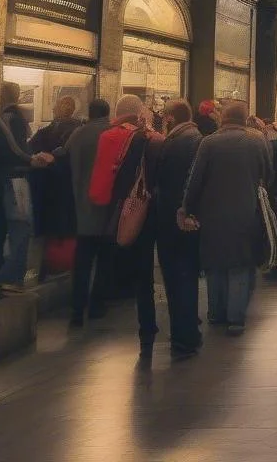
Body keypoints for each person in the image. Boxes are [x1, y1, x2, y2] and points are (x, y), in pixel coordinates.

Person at [181, 101, 272, 337]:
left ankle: (216, 313)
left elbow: (195, 179)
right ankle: (236, 318)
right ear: (244, 119)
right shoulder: (257, 141)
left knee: (215, 265)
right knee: (241, 265)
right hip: (246, 211)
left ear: (223, 119)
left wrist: (188, 208)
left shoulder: (209, 142)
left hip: (212, 214)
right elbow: (268, 175)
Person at [107, 94, 164, 362]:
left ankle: (147, 326)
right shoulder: (157, 142)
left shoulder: (125, 139)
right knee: (154, 271)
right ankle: (152, 324)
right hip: (154, 210)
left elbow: (120, 177)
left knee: (142, 274)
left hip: (134, 208)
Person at [53, 98, 113, 325]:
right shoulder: (112, 133)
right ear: (107, 113)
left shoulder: (77, 134)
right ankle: (97, 305)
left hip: (82, 208)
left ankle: (77, 309)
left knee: (82, 261)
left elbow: (62, 155)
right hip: (107, 209)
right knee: (105, 261)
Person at [0, 82, 47, 296]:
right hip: (15, 181)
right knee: (21, 229)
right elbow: (17, 148)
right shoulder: (13, 118)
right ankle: (10, 277)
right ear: (16, 95)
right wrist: (33, 159)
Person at [155, 98, 203, 359]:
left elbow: (170, 181)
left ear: (171, 117)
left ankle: (183, 337)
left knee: (178, 277)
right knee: (187, 276)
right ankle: (189, 331)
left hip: (174, 220)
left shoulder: (177, 142)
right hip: (186, 218)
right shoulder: (194, 138)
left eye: (164, 115)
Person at [29, 96, 80, 277]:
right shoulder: (77, 130)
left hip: (48, 188)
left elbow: (30, 150)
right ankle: (62, 266)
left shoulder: (48, 132)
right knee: (64, 229)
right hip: (68, 190)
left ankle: (47, 268)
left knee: (49, 231)